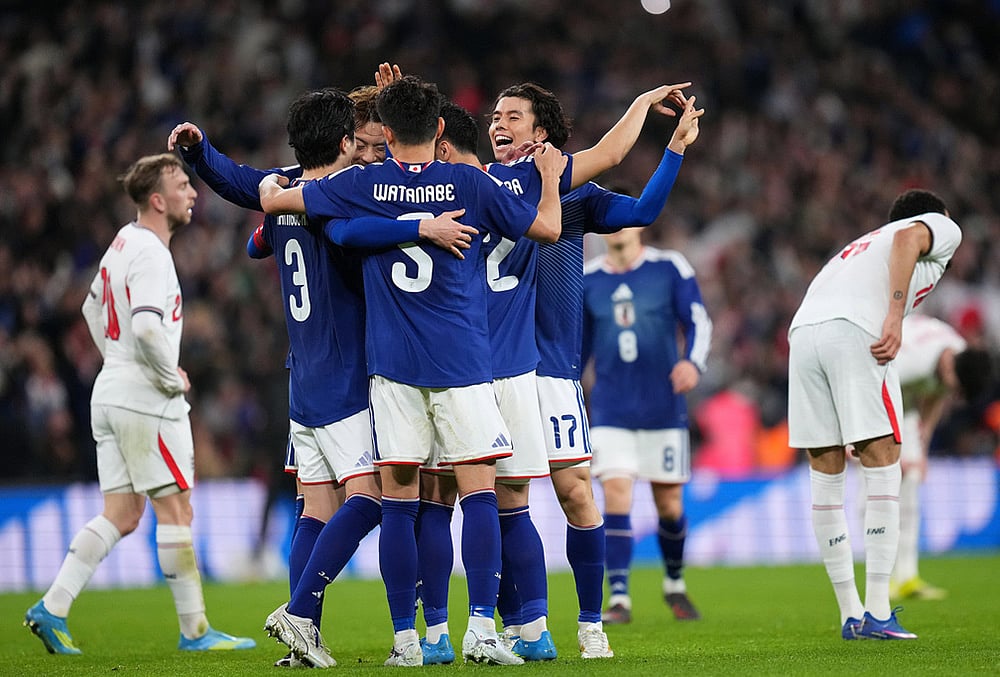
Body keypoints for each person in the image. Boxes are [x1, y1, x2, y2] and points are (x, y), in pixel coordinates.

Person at [258, 75, 565, 667]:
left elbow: (279, 203)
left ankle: (410, 641)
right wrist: (549, 181)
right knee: (478, 495)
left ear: (387, 133)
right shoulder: (470, 182)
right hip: (462, 362)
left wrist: (275, 185)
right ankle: (481, 628)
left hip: (392, 370)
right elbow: (547, 229)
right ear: (442, 130)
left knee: (401, 501)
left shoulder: (363, 183)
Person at [168, 88, 471, 668]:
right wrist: (420, 226)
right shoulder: (341, 198)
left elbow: (239, 181)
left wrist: (201, 151)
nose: (369, 155)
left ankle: (305, 636)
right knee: (376, 500)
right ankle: (302, 612)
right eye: (359, 145)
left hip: (302, 376)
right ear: (341, 143)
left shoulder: (281, 187)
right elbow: (358, 230)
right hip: (347, 375)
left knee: (316, 508)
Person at [486, 80, 703, 658]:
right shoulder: (480, 185)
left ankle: (590, 623)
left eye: (512, 116)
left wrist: (675, 149)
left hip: (554, 371)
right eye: (495, 116)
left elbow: (645, 209)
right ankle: (519, 626)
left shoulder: (574, 193)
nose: (497, 124)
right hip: (494, 370)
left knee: (578, 494)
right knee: (508, 499)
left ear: (542, 133)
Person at [23, 153, 255, 655]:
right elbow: (149, 327)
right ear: (157, 199)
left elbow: (89, 309)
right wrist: (163, 373)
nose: (193, 193)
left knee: (123, 513)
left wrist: (119, 361)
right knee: (177, 509)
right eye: (182, 184)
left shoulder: (120, 245)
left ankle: (52, 607)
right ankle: (196, 631)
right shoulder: (151, 252)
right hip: (146, 400)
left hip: (110, 391)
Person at [787, 188, 963, 640]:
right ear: (936, 217)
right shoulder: (937, 227)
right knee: (884, 460)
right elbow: (909, 239)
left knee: (824, 467)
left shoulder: (858, 246)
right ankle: (879, 612)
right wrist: (895, 315)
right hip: (857, 331)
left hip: (803, 334)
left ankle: (851, 614)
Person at [582, 224, 712, 624]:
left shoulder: (669, 266)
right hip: (610, 409)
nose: (617, 228)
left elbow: (697, 320)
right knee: (616, 495)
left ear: (639, 224)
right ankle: (619, 596)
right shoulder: (588, 278)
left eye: (625, 218)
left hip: (662, 407)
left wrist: (693, 361)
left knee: (669, 504)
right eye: (608, 221)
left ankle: (674, 582)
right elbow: (577, 345)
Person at [890, 312, 992, 600]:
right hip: (878, 387)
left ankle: (907, 577)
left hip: (905, 398)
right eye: (956, 388)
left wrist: (921, 449)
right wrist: (891, 451)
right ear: (949, 369)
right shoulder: (910, 362)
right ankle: (881, 578)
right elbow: (873, 392)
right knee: (878, 484)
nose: (953, 393)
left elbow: (937, 394)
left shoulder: (957, 356)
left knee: (910, 480)